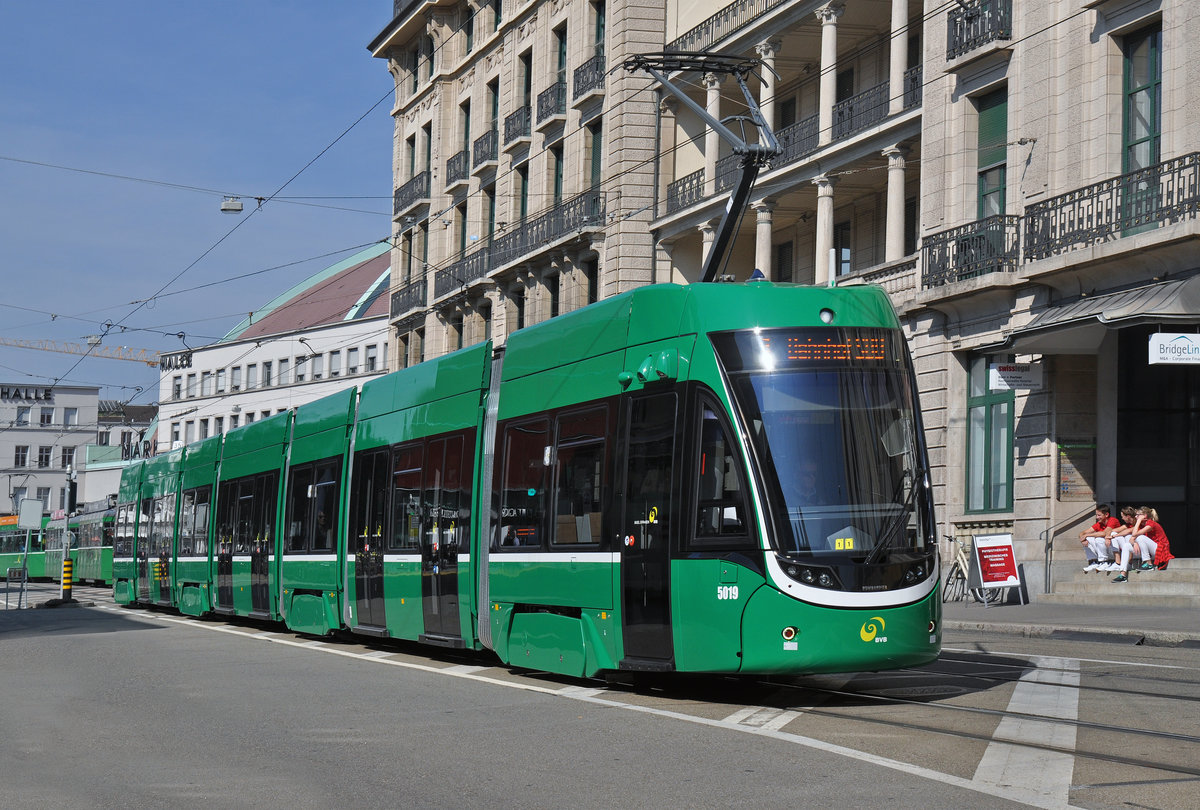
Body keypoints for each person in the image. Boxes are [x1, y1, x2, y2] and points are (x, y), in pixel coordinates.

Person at [1079, 504, 1120, 573]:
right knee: (1088, 538)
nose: (1097, 517)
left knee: (1099, 539)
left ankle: (1104, 562)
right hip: (1106, 549)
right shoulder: (1099, 524)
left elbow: (1104, 533)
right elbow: (1082, 533)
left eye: (1099, 515)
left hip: (1116, 551)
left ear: (1106, 514)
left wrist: (1086, 535)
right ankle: (1094, 562)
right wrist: (1083, 539)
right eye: (1096, 515)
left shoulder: (1113, 520)